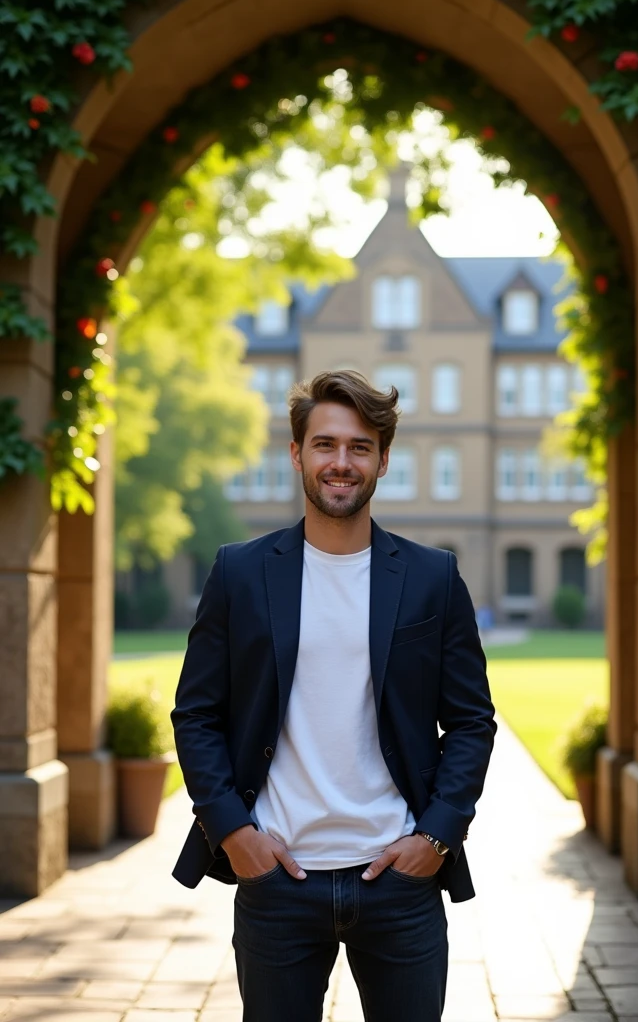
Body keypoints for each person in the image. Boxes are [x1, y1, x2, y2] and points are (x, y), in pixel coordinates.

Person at [171, 370, 496, 1022]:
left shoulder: (432, 578)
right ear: (296, 454)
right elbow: (197, 713)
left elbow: (470, 722)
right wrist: (233, 832)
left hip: (400, 882)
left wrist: (434, 837)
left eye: (359, 447)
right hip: (277, 880)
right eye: (324, 445)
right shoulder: (240, 571)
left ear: (382, 459)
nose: (340, 463)